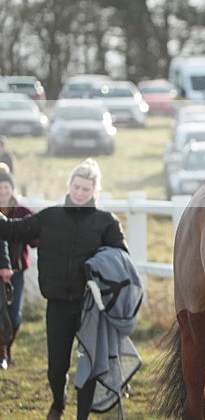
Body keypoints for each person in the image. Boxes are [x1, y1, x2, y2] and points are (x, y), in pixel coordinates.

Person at [0, 158, 128, 420]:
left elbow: (121, 259)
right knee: (56, 368)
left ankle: (82, 415)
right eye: (76, 187)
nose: (80, 193)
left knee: (89, 364)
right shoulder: (50, 217)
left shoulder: (106, 222)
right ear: (69, 185)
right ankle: (59, 401)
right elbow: (12, 231)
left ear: (95, 190)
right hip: (57, 304)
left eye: (86, 189)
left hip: (90, 305)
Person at [0, 169, 36, 370]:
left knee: (14, 316)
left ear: (12, 189)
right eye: (0, 187)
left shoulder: (22, 212)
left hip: (17, 271)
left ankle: (7, 347)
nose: (3, 191)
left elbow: (36, 234)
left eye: (6, 187)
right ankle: (1, 353)